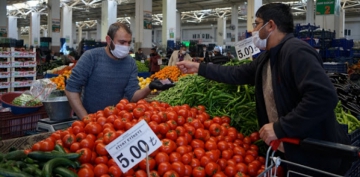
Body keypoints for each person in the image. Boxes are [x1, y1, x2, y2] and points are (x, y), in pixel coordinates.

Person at [177, 3, 351, 176]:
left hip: (315, 156)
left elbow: (323, 96)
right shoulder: (267, 58)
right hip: (293, 151)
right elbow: (237, 73)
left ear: (270, 25)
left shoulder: (296, 51)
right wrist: (198, 68)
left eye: (256, 23)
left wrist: (281, 127)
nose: (253, 30)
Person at [65, 22, 174, 119]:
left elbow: (132, 96)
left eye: (129, 42)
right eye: (122, 42)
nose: (126, 47)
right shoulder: (91, 57)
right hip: (91, 121)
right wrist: (86, 119)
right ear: (108, 40)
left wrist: (150, 87)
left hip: (116, 123)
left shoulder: (130, 63)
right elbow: (71, 89)